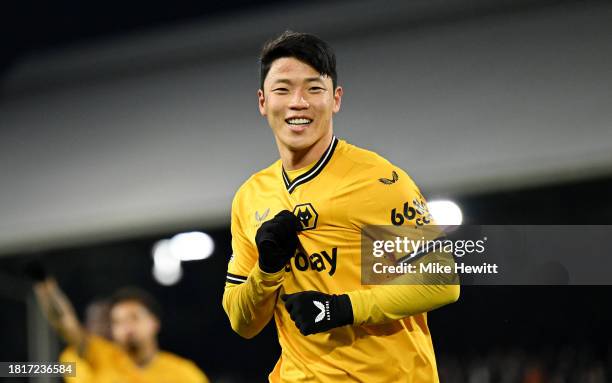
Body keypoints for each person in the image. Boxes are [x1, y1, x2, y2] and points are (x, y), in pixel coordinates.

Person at [222, 30, 460, 382]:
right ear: (262, 101)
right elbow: (242, 323)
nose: (298, 102)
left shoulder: (377, 180)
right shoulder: (250, 196)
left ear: (335, 99)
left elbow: (442, 281)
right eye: (283, 89)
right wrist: (268, 270)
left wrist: (342, 308)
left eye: (313, 89)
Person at [34, 278, 209, 383]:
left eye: (134, 318)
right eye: (118, 322)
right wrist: (45, 287)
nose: (127, 327)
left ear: (154, 323)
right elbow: (65, 324)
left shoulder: (184, 373)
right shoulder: (97, 358)